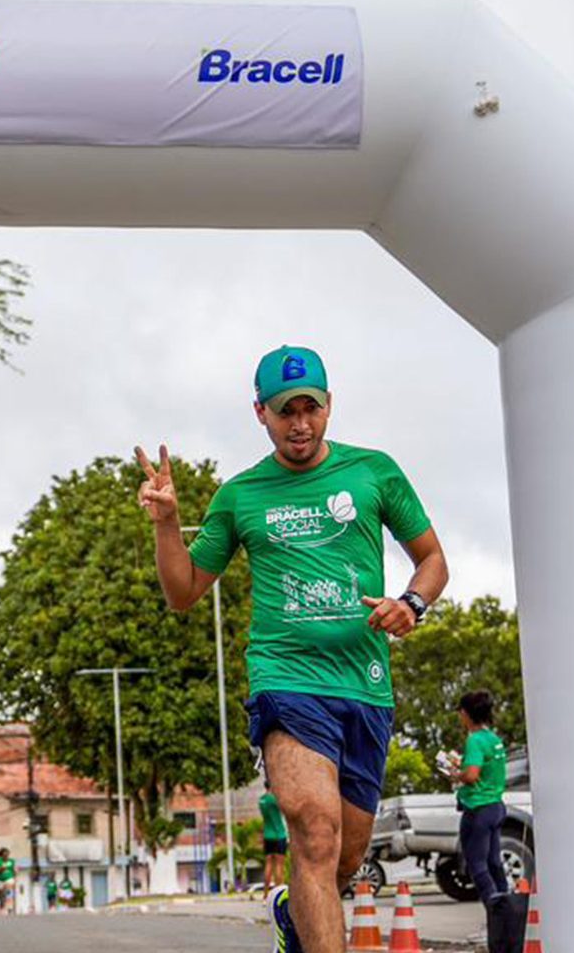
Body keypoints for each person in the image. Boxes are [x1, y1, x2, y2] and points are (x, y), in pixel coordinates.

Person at [139, 345, 447, 953]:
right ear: (261, 413)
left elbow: (432, 560)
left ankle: (294, 919)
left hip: (363, 682)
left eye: (310, 408)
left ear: (329, 406)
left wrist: (410, 605)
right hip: (286, 679)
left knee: (343, 856)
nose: (299, 422)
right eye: (286, 411)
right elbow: (183, 592)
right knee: (313, 829)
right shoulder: (241, 495)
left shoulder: (374, 472)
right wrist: (168, 524)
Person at [446, 690, 511, 920]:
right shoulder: (494, 739)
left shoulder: (474, 740)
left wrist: (456, 774)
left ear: (466, 714)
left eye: (460, 713)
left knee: (476, 864)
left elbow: (472, 775)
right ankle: (507, 911)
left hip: (478, 807)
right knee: (495, 863)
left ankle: (495, 914)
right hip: (496, 805)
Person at [260, 779, 289, 894]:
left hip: (267, 835)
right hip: (279, 834)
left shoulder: (262, 800)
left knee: (268, 865)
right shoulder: (274, 800)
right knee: (279, 866)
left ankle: (265, 895)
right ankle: (278, 892)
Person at [0, 847, 17, 914]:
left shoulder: (11, 861)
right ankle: (1, 902)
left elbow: (14, 870)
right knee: (0, 892)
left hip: (9, 878)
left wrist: (15, 873)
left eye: (7, 855)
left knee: (9, 891)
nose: (6, 856)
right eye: (4, 855)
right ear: (2, 855)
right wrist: (0, 869)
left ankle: (9, 907)